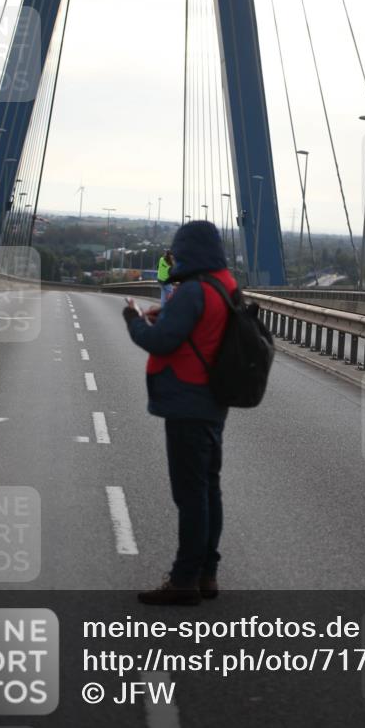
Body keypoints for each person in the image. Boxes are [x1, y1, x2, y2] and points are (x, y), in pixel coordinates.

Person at [123, 219, 237, 605]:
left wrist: (135, 320)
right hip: (213, 402)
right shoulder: (224, 286)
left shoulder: (192, 291)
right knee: (209, 490)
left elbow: (160, 342)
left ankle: (183, 580)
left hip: (187, 402)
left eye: (177, 250)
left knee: (190, 496)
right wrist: (167, 317)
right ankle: (207, 573)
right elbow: (200, 330)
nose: (175, 257)